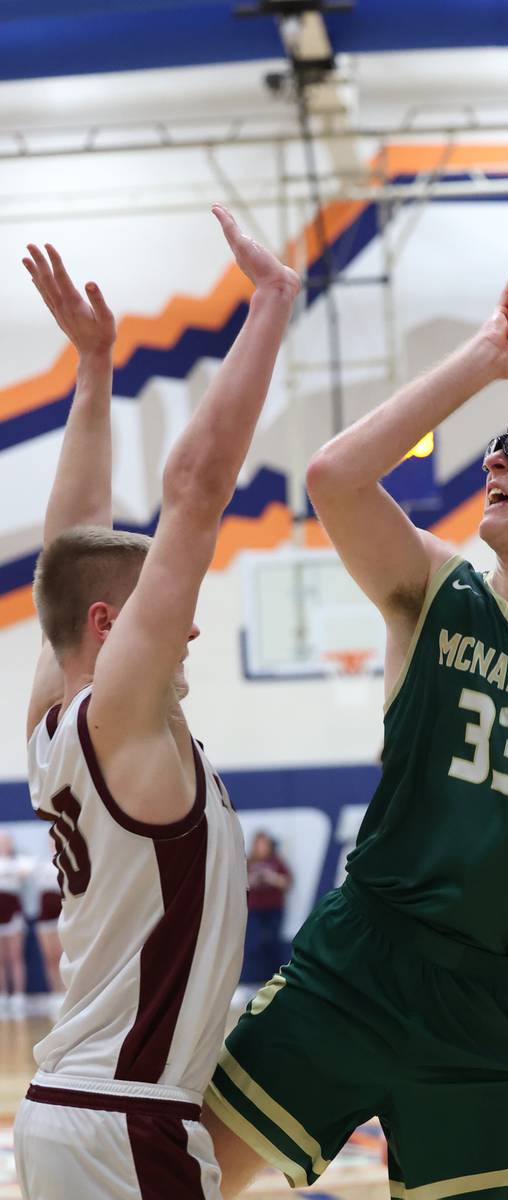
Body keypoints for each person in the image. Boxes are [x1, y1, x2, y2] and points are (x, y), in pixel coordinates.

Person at [203, 235, 508, 1199]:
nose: (496, 458)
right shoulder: (432, 591)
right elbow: (336, 477)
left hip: (497, 1011)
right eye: (497, 443)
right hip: (361, 958)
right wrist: (489, 355)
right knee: (183, 1182)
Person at [14, 211, 299, 1200]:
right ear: (109, 626)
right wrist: (269, 305)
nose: (185, 630)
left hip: (86, 1114)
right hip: (119, 1123)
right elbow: (195, 486)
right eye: (162, 613)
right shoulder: (117, 717)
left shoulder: (58, 716)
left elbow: (71, 538)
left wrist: (92, 370)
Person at [243, 832, 292, 985]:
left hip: (273, 909)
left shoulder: (277, 862)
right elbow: (240, 885)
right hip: (254, 910)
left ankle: (274, 981)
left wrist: (271, 877)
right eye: (259, 844)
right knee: (253, 945)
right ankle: (251, 982)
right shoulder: (248, 863)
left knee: (272, 943)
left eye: (265, 844)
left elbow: (287, 882)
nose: (262, 847)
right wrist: (254, 879)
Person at [0, 833, 34, 1018]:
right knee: (1, 960)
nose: (2, 845)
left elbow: (25, 872)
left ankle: (18, 997)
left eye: (5, 842)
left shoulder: (20, 861)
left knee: (15, 957)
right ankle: (3, 996)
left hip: (13, 914)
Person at [33, 836, 64, 1001]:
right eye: (51, 841)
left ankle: (68, 993)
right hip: (45, 917)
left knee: (63, 956)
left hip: (62, 915)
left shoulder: (66, 863)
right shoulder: (40, 864)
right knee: (50, 958)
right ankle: (56, 993)